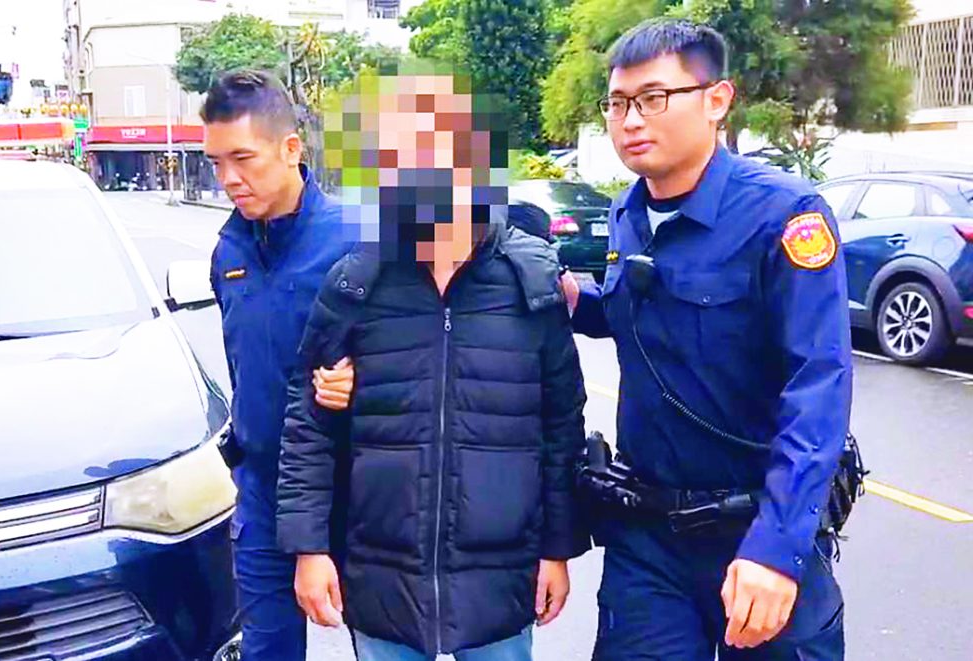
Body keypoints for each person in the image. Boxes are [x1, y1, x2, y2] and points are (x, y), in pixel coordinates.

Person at [559, 19, 853, 660]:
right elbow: (642, 314)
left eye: (654, 98)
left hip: (757, 528)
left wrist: (777, 548)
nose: (630, 120)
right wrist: (574, 298)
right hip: (648, 541)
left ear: (717, 100)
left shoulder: (785, 216)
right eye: (617, 103)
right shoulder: (627, 212)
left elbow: (819, 384)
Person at [275, 68, 590, 661]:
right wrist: (309, 550)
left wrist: (558, 549)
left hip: (501, 577)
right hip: (381, 576)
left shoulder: (530, 284)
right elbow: (308, 426)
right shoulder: (355, 285)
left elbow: (561, 428)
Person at [204, 69, 350, 661]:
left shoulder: (355, 242)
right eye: (216, 162)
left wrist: (366, 381)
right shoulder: (229, 250)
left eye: (242, 158)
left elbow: (417, 356)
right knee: (267, 649)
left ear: (291, 149)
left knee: (385, 645)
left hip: (355, 491)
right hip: (263, 492)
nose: (228, 179)